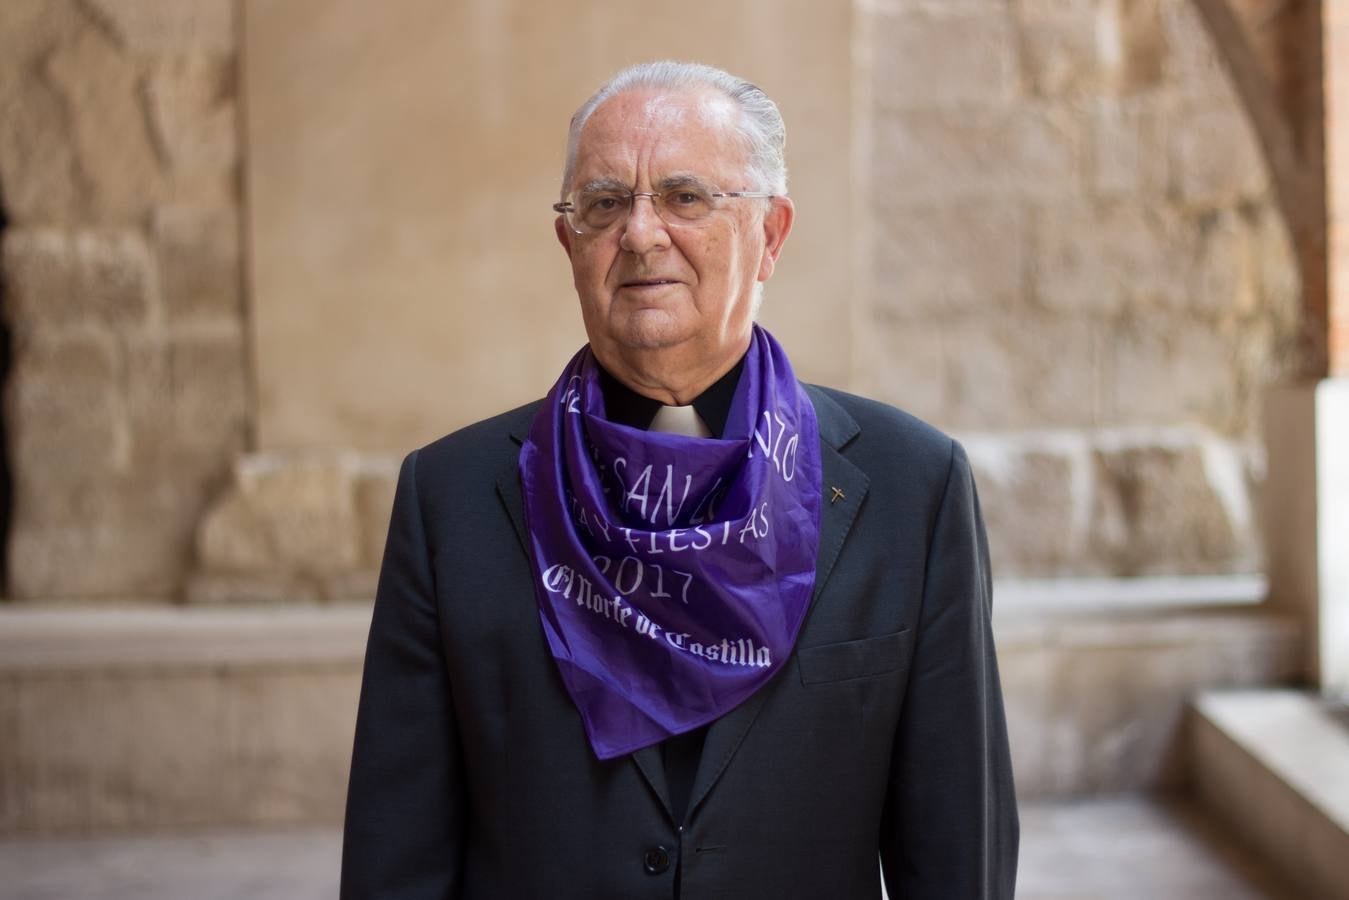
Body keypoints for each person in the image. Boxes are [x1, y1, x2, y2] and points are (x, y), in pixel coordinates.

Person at [340, 60, 1018, 899]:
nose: (639, 233)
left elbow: (956, 850)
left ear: (770, 235)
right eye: (603, 203)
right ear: (569, 242)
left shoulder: (911, 488)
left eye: (685, 197)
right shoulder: (450, 499)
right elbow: (395, 854)